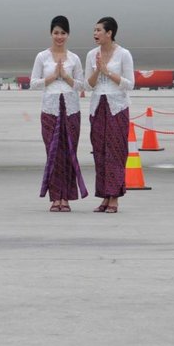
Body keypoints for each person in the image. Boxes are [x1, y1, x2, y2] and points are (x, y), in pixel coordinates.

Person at [30, 15, 88, 211]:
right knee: (53, 153)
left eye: (63, 33)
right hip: (50, 109)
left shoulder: (74, 58)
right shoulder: (42, 57)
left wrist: (66, 77)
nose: (59, 36)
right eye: (56, 33)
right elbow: (33, 83)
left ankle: (67, 198)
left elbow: (82, 85)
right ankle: (56, 197)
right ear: (50, 34)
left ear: (68, 35)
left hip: (71, 110)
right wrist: (53, 76)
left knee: (69, 152)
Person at [85, 17, 134, 213]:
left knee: (116, 151)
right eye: (94, 30)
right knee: (100, 152)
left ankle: (114, 197)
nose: (95, 34)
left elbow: (130, 83)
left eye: (99, 30)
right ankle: (105, 195)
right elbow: (88, 85)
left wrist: (108, 72)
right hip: (98, 106)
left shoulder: (123, 54)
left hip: (117, 106)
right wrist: (98, 71)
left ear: (109, 33)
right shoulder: (91, 55)